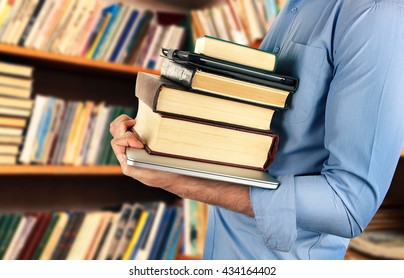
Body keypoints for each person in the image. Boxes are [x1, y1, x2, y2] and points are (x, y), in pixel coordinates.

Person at [109, 0, 404, 259]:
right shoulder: (294, 8)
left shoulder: (376, 13)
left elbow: (349, 204)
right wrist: (163, 135)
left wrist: (181, 182)